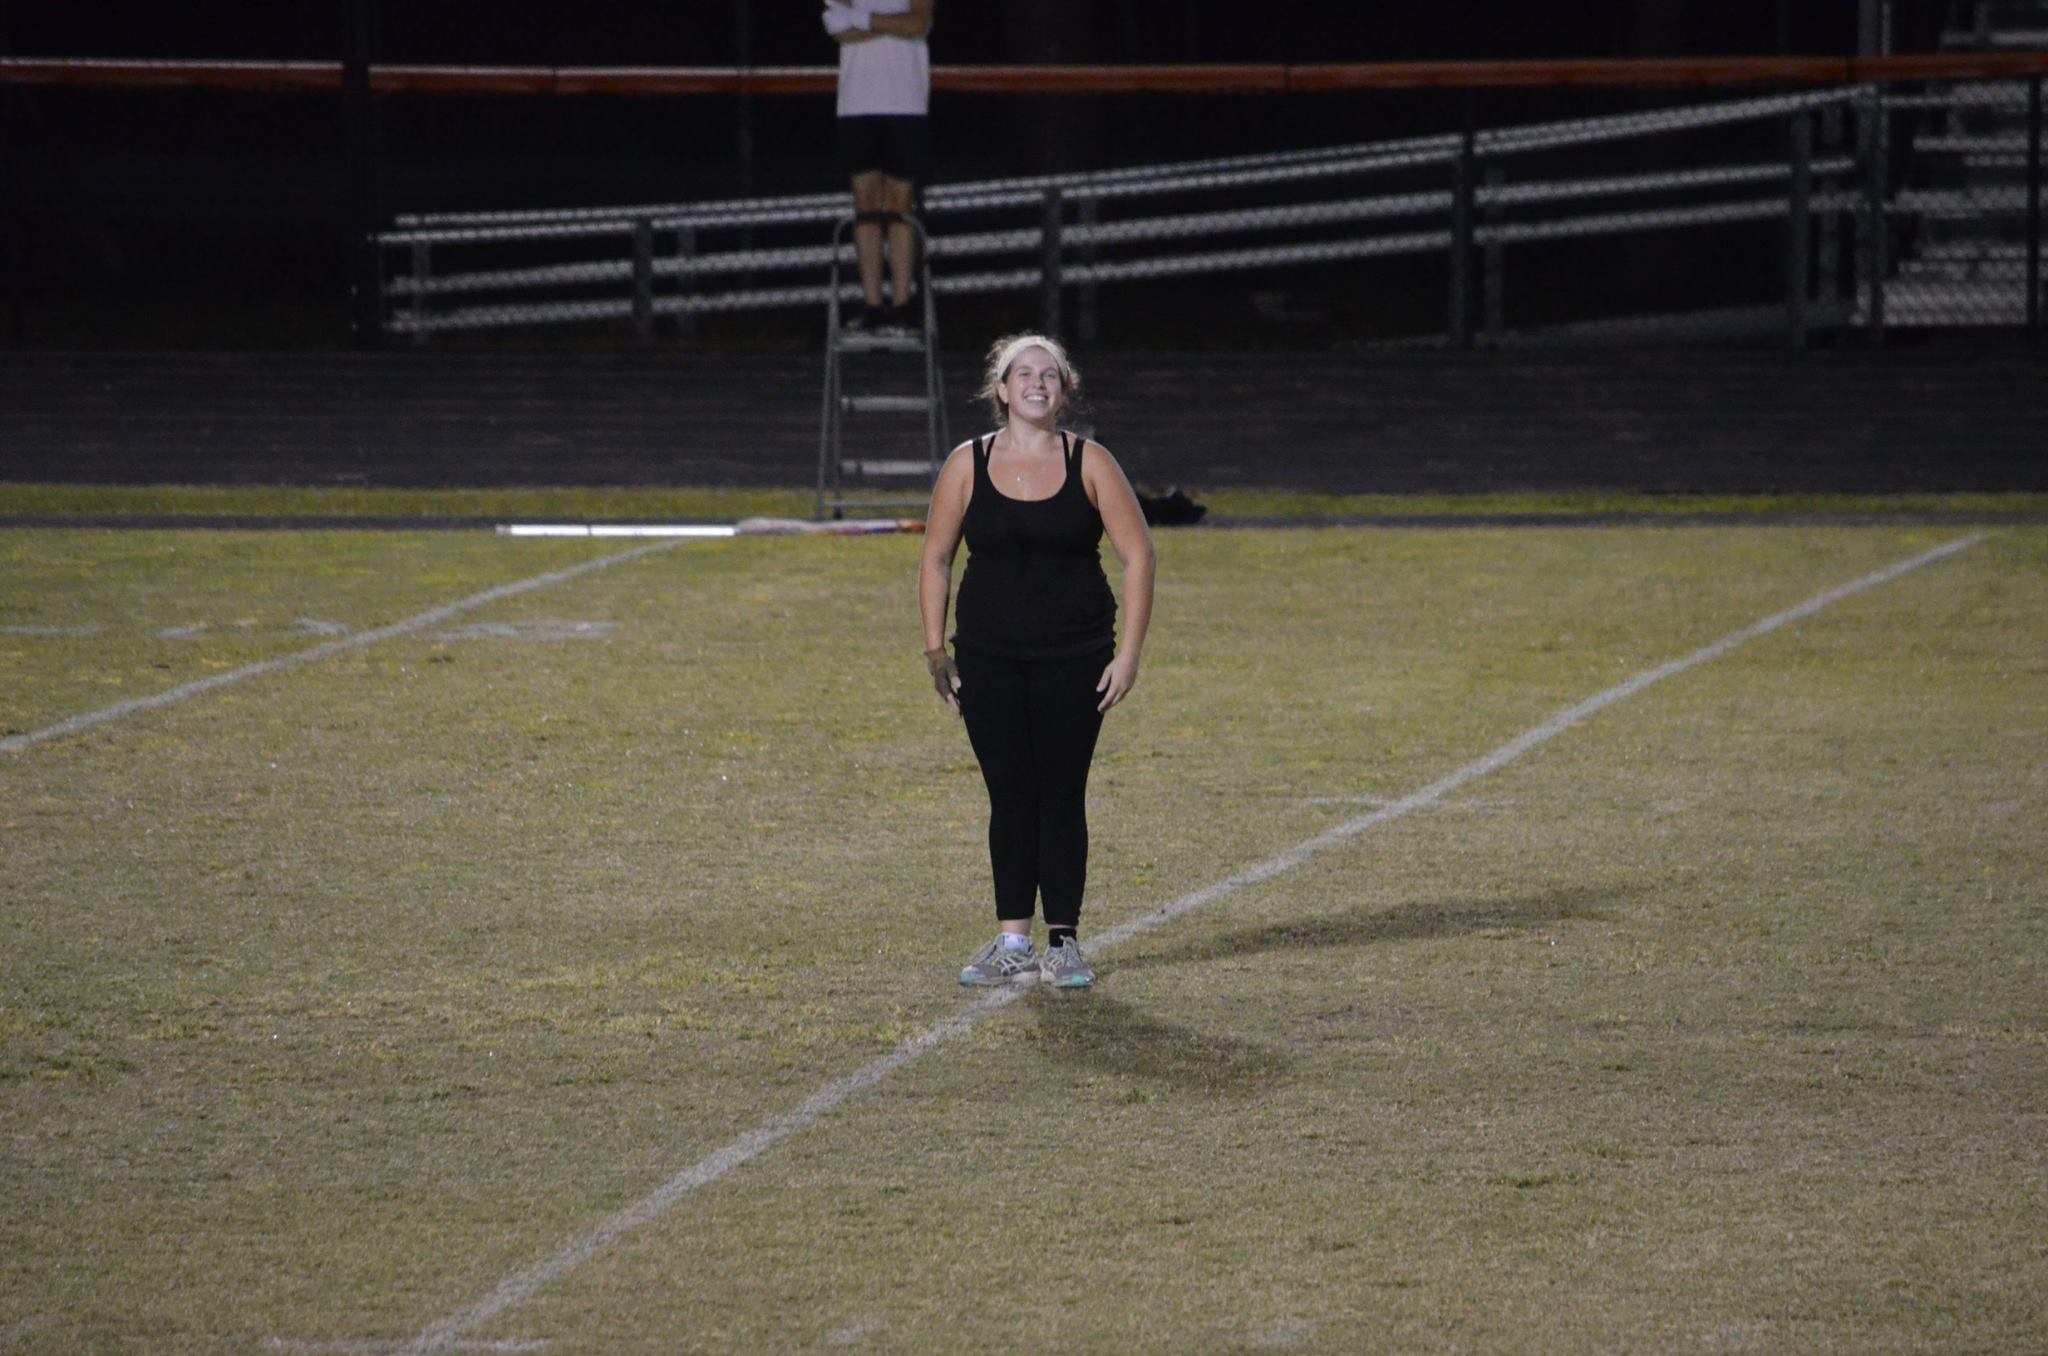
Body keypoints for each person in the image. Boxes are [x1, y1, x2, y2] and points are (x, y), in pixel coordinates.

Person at [918, 335, 1157, 988]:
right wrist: (936, 651)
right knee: (1010, 792)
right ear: (1001, 390)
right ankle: (1012, 942)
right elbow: (936, 559)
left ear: (1063, 389)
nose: (1036, 383)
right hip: (987, 658)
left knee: (1060, 790)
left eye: (1048, 374)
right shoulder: (966, 463)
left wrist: (1129, 656)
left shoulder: (1091, 462)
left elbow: (1139, 556)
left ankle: (1064, 942)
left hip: (1076, 656)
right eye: (1023, 373)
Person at [822, 0, 934, 336]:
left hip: (906, 101)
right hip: (856, 101)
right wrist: (891, 24)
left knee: (901, 203)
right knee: (865, 203)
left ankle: (902, 305)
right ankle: (872, 305)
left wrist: (861, 18)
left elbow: (917, 24)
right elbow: (837, 28)